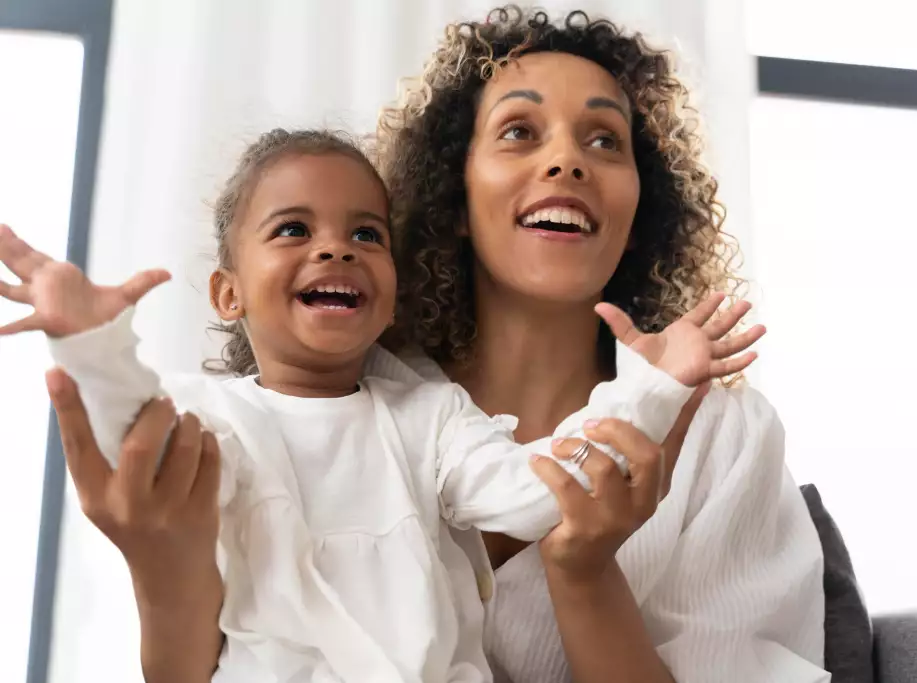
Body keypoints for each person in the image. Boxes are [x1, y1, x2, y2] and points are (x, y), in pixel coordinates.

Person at [37, 6, 827, 683]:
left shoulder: (723, 438)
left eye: (605, 141)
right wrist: (156, 553)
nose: (567, 160)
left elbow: (539, 490)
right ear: (454, 192)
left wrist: (583, 574)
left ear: (640, 207)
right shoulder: (330, 392)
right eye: (519, 131)